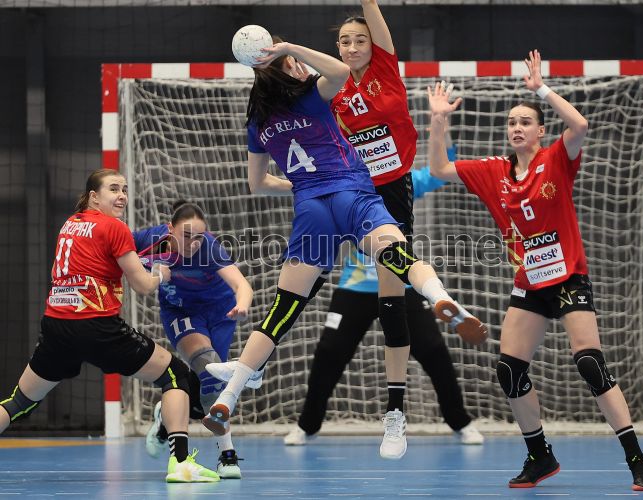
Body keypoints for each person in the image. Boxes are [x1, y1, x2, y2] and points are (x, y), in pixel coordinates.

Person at [203, 36, 487, 461]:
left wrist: (301, 185)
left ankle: (230, 395)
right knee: (398, 256)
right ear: (288, 66)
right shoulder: (311, 96)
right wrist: (289, 46)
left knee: (283, 310)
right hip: (350, 194)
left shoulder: (259, 121)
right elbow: (339, 70)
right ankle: (441, 296)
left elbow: (256, 184)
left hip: (310, 207)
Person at [427, 50, 643, 491]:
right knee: (509, 370)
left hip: (568, 278)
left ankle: (636, 458)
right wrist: (438, 120)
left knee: (589, 363)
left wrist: (542, 89)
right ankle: (539, 455)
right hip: (530, 283)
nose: (516, 127)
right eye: (512, 122)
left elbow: (581, 126)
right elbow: (438, 168)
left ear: (540, 131)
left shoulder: (556, 159)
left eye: (525, 121)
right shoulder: (493, 172)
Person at [329, 0, 487, 455]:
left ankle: (394, 414)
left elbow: (372, 15)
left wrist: (439, 120)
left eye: (360, 40)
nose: (352, 47)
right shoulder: (333, 90)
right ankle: (437, 296)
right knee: (341, 284)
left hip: (393, 190)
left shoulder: (385, 68)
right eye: (344, 41)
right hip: (354, 193)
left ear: (374, 46)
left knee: (391, 302)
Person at [0, 169, 219, 483]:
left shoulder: (70, 223)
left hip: (56, 327)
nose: (122, 196)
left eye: (125, 189)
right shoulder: (115, 227)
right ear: (94, 197)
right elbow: (142, 285)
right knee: (175, 374)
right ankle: (181, 463)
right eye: (114, 189)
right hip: (97, 327)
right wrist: (160, 274)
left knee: (19, 402)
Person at [284, 165, 484, 447]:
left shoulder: (401, 179)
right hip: (356, 286)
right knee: (329, 352)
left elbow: (440, 169)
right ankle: (307, 425)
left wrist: (442, 135)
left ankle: (461, 422)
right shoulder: (345, 187)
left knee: (433, 350)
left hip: (401, 284)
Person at [134, 200, 254, 479]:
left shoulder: (210, 248)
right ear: (170, 229)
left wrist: (243, 304)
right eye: (187, 235)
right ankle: (227, 454)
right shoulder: (149, 240)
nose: (194, 243)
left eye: (199, 236)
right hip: (182, 312)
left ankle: (166, 416)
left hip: (221, 312)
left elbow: (241, 285)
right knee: (209, 369)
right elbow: (115, 247)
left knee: (208, 390)